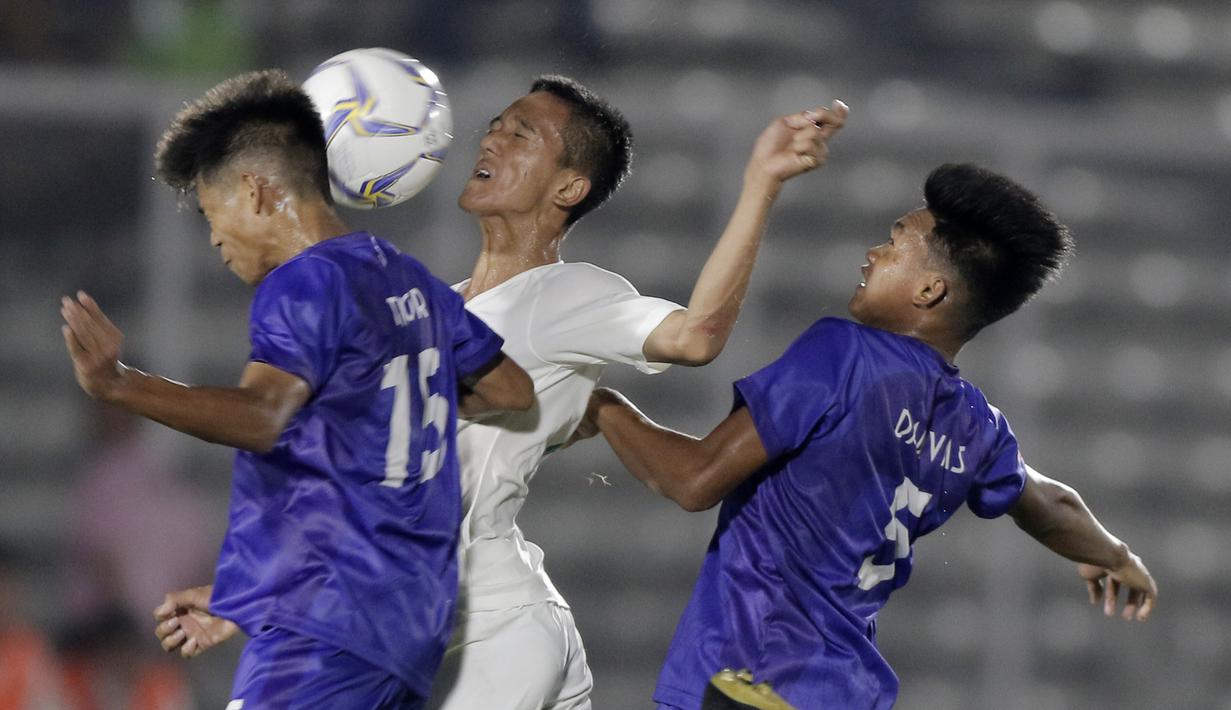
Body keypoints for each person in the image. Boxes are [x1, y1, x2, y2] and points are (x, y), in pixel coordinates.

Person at [157, 74, 847, 708]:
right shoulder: (437, 307)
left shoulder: (570, 293)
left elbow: (695, 336)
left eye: (521, 133)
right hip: (435, 625)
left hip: (492, 631)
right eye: (494, 125)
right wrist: (251, 598)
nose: (490, 137)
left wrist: (761, 182)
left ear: (568, 188)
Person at [573, 163, 1159, 709]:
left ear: (929, 290)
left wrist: (603, 406)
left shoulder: (843, 354)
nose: (874, 252)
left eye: (896, 240)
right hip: (848, 691)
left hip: (751, 677)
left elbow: (694, 480)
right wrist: (1115, 555)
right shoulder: (978, 426)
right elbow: (1049, 503)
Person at [61, 69, 534, 709]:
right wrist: (249, 595)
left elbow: (262, 417)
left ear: (256, 191)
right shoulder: (406, 277)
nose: (215, 237)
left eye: (212, 210)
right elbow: (511, 389)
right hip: (406, 627)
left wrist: (121, 385)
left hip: (326, 628)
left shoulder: (303, 283)